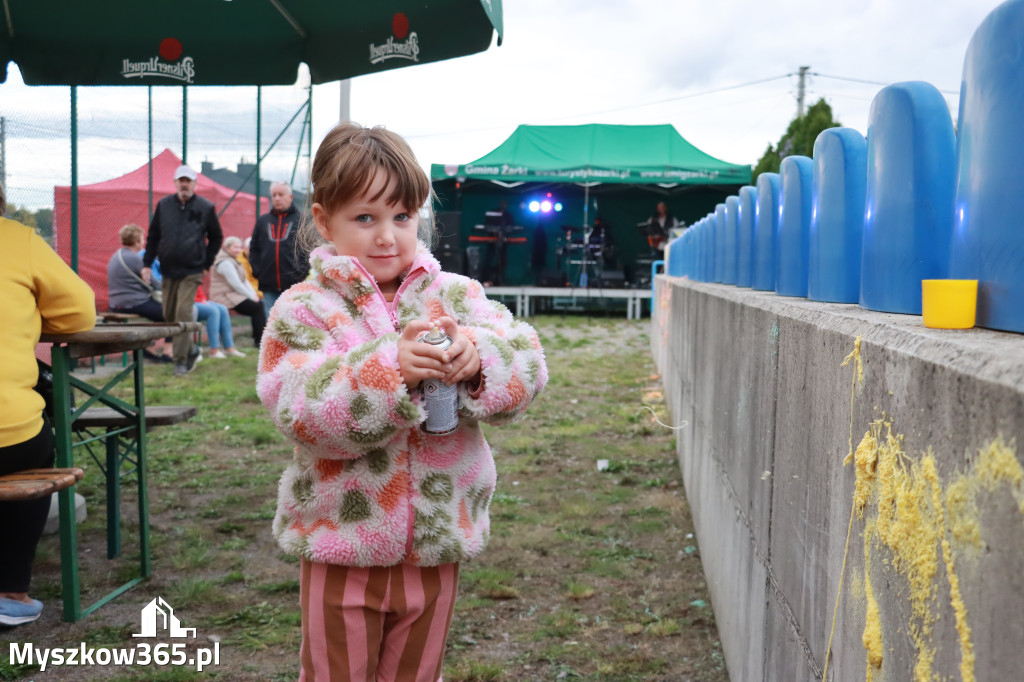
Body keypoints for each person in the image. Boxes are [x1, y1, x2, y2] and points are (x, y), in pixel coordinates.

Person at [256, 122, 548, 681]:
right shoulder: (304, 311)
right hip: (341, 544)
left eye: (402, 216)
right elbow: (297, 409)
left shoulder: (456, 295)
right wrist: (388, 372)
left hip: (437, 543)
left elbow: (529, 361)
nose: (387, 236)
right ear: (323, 220)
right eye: (365, 218)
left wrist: (478, 360)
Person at [0, 181, 96, 626]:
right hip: (8, 433)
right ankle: (10, 590)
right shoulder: (16, 239)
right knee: (32, 446)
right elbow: (79, 313)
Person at [142, 163, 223, 376]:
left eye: (188, 181)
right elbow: (153, 236)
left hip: (192, 270)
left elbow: (216, 237)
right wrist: (147, 264)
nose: (184, 184)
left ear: (195, 184)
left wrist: (206, 263)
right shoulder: (164, 205)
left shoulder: (205, 207)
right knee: (169, 315)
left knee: (183, 313)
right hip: (168, 269)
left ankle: (179, 361)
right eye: (181, 181)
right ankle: (192, 350)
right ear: (175, 183)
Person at [106, 223, 172, 363]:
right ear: (136, 241)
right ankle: (167, 353)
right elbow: (155, 283)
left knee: (161, 315)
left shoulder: (117, 255)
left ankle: (149, 348)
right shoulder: (135, 258)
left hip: (116, 303)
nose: (144, 242)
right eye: (142, 239)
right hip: (134, 303)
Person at [249, 181, 308, 319]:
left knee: (293, 322)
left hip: (293, 284)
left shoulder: (300, 221)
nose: (276, 198)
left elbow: (307, 249)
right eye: (274, 195)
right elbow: (254, 248)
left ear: (290, 197)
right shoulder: (263, 221)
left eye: (280, 194)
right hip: (268, 284)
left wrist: (301, 273)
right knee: (271, 323)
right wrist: (258, 272)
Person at [210, 236, 266, 347]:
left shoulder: (233, 260)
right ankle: (259, 341)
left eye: (240, 247)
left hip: (232, 294)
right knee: (257, 307)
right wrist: (251, 296)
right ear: (227, 247)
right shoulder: (225, 262)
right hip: (223, 295)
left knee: (258, 305)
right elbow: (236, 283)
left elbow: (244, 280)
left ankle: (259, 340)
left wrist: (254, 294)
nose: (238, 250)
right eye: (235, 247)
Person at [193, 287, 245, 359]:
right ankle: (214, 350)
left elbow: (198, 289)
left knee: (223, 309)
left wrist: (202, 299)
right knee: (213, 311)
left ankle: (229, 347)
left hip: (199, 301)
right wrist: (200, 301)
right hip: (188, 303)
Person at [239, 237, 263, 302]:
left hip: (259, 290)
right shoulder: (242, 261)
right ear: (245, 248)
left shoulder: (258, 259)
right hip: (250, 292)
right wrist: (260, 294)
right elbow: (246, 281)